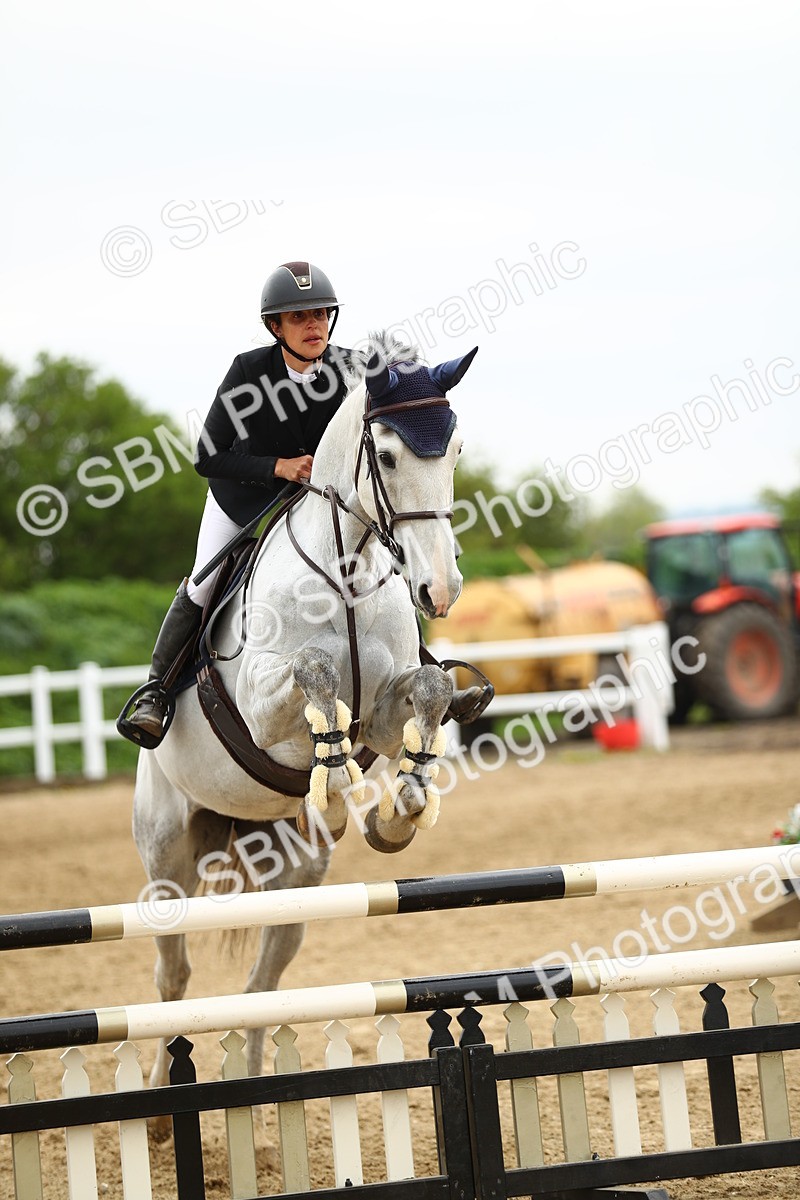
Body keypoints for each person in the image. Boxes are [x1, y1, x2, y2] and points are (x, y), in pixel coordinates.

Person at [121, 260, 350, 744]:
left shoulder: (351, 367)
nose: (314, 326)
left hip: (317, 504)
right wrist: (277, 467)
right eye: (299, 317)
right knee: (204, 582)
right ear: (276, 327)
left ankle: (420, 663)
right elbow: (208, 455)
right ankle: (156, 693)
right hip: (244, 501)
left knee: (376, 563)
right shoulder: (249, 372)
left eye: (320, 315)